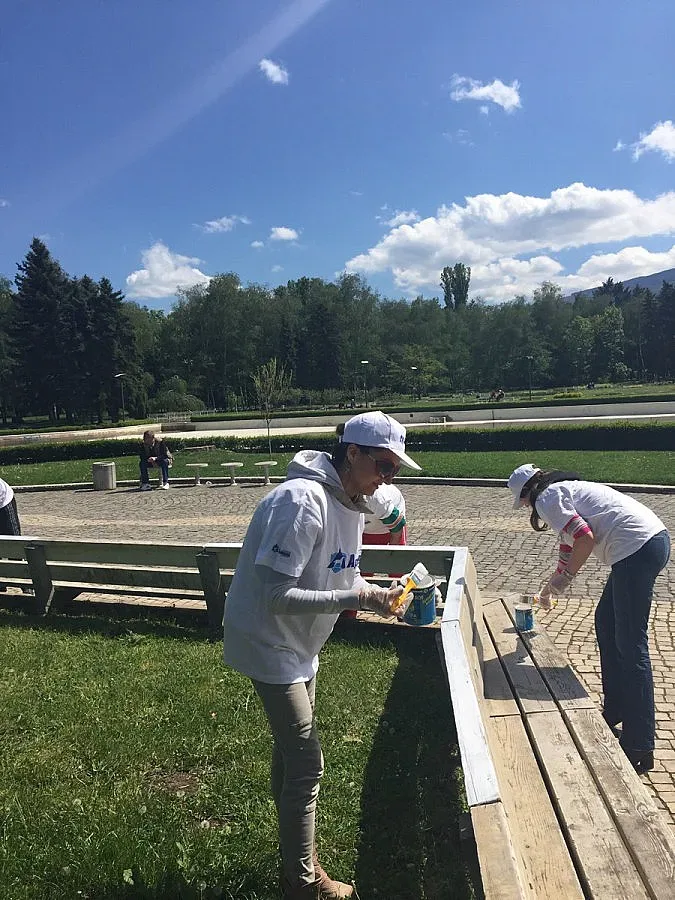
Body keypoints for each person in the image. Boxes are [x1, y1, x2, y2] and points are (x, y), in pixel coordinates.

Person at [223, 411, 421, 899]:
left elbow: (337, 576)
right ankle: (307, 884)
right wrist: (355, 599)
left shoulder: (350, 503)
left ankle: (296, 859)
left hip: (299, 644)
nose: (385, 480)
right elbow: (274, 596)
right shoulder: (301, 501)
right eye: (384, 466)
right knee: (307, 764)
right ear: (351, 452)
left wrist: (374, 590)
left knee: (290, 760)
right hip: (268, 642)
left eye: (394, 471)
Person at [507, 463, 670, 774]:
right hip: (651, 540)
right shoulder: (561, 489)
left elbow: (584, 537)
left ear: (527, 494)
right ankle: (615, 710)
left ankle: (639, 744)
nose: (527, 508)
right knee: (606, 624)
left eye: (523, 502)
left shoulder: (547, 498)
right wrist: (552, 584)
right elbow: (568, 543)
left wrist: (565, 578)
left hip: (636, 549)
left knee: (632, 645)